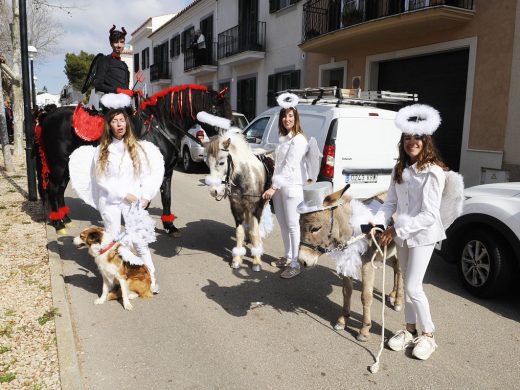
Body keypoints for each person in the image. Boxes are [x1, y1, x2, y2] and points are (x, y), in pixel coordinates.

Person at [374, 103, 447, 361]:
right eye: (407, 137)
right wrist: (377, 223)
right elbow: (390, 203)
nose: (411, 142)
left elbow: (428, 214)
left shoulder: (433, 172)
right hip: (403, 235)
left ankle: (428, 335)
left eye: (417, 137)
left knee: (414, 287)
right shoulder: (399, 170)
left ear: (426, 140)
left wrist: (395, 228)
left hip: (423, 236)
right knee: (406, 284)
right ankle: (409, 329)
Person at [92, 108, 164, 293]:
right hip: (110, 201)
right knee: (114, 240)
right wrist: (123, 193)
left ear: (126, 123)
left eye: (121, 120)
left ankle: (151, 278)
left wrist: (146, 195)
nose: (119, 124)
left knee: (140, 242)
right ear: (109, 125)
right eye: (114, 121)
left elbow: (147, 175)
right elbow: (101, 179)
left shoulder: (137, 147)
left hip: (134, 202)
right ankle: (116, 279)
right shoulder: (101, 150)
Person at [262, 93, 309, 279]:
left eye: (290, 116)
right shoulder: (283, 138)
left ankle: (296, 263)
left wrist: (273, 187)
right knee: (282, 223)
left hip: (292, 188)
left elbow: (289, 167)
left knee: (292, 225)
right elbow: (279, 164)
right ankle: (288, 256)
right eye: (284, 116)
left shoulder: (299, 140)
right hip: (280, 187)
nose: (287, 119)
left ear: (296, 118)